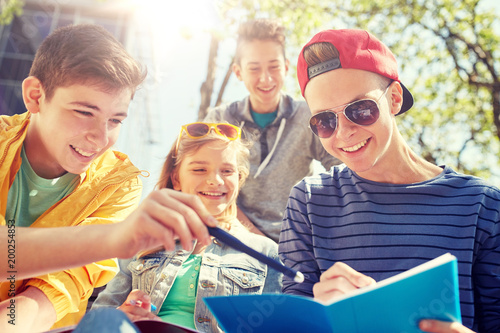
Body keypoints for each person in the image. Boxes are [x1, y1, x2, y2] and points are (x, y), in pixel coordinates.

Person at [278, 28, 500, 333]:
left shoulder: (483, 205)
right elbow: (291, 323)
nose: (343, 133)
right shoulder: (309, 201)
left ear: (394, 99)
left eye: (360, 109)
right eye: (325, 121)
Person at [0, 23, 217, 332]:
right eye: (84, 112)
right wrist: (115, 238)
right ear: (35, 96)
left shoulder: (118, 183)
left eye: (115, 120)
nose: (100, 138)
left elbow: (59, 289)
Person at [92, 122, 282, 333]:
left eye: (227, 171)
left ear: (239, 179)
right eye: (200, 169)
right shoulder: (144, 242)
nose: (215, 180)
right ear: (176, 178)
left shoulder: (266, 252)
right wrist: (122, 316)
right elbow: (100, 317)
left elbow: (278, 326)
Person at [204, 18, 340, 242]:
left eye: (274, 67)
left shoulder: (308, 115)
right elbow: (207, 188)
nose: (265, 78)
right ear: (238, 72)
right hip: (234, 237)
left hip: (300, 238)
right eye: (254, 68)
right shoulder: (220, 120)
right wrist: (261, 242)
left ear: (286, 67)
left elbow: (342, 169)